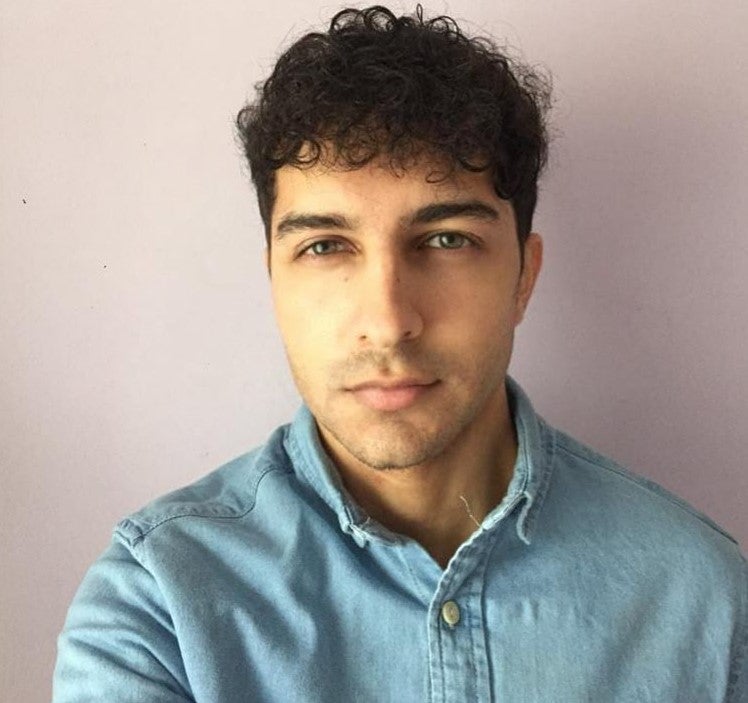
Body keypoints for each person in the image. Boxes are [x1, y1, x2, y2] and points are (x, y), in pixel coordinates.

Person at [53, 6, 746, 702]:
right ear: (273, 280)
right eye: (325, 246)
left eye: (446, 240)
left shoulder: (704, 598)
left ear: (523, 277)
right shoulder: (158, 608)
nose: (387, 323)